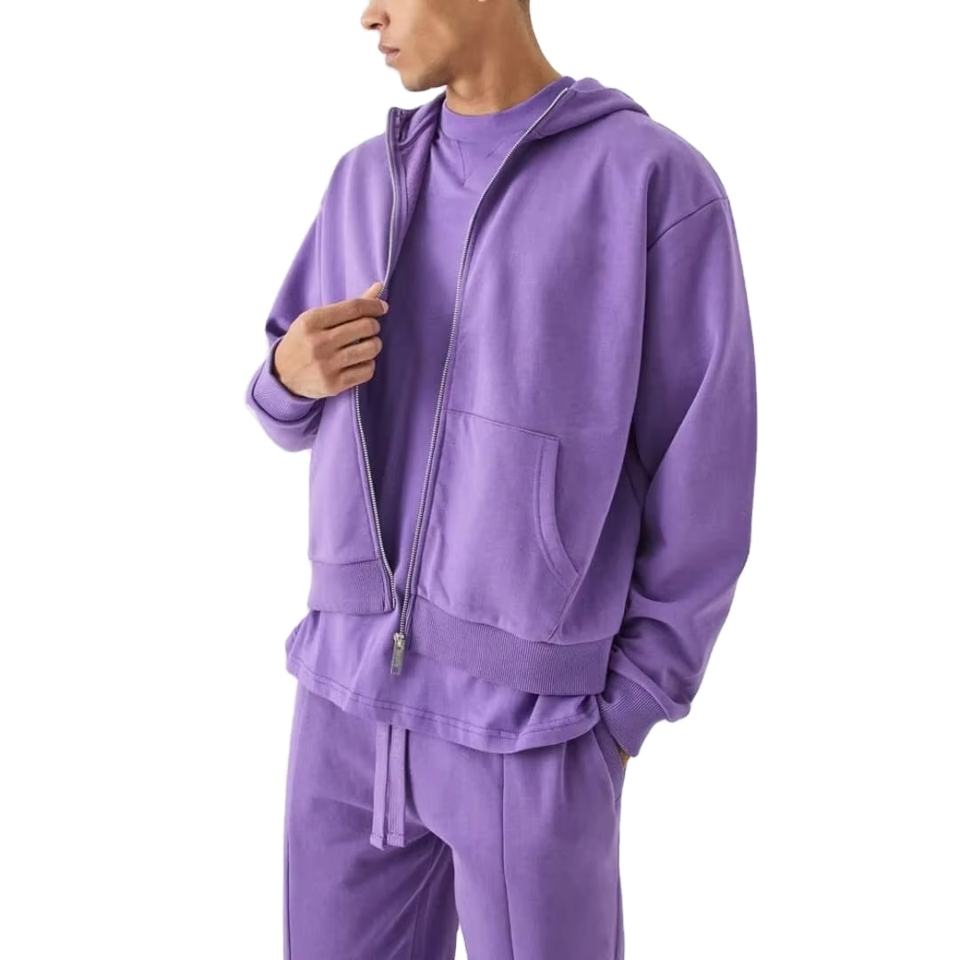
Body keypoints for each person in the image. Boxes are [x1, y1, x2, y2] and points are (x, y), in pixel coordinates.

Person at [244, 1, 756, 957]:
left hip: (532, 726)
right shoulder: (364, 179)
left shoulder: (648, 182)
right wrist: (286, 376)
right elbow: (283, 398)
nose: (369, 15)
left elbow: (706, 475)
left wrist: (630, 709)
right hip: (342, 702)